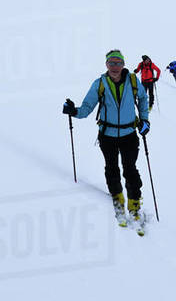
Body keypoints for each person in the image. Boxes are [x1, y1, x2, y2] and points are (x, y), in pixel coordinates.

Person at [63, 49, 149, 222]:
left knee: (130, 169)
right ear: (106, 65)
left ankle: (134, 204)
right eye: (111, 63)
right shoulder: (100, 84)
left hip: (129, 134)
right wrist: (74, 111)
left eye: (118, 63)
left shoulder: (133, 81)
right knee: (111, 168)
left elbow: (143, 99)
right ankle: (117, 198)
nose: (115, 67)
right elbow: (87, 108)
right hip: (107, 135)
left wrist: (145, 120)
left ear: (123, 64)